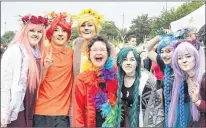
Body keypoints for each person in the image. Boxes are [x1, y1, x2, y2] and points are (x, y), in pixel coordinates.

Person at [1, 14, 48, 127]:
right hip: (16, 107)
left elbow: (35, 84)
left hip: (29, 106)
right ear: (24, 31)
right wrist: (3, 114)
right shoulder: (14, 51)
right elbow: (4, 85)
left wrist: (45, 68)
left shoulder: (36, 53)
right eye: (32, 30)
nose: (36, 34)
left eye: (39, 32)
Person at [33, 12, 73, 127]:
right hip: (41, 111)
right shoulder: (41, 52)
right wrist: (45, 67)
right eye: (56, 30)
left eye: (64, 31)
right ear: (50, 34)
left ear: (68, 34)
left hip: (62, 114)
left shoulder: (72, 54)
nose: (60, 34)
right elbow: (35, 84)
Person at [72, 35, 118, 127]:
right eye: (95, 50)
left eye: (102, 50)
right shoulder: (81, 80)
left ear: (108, 54)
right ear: (89, 55)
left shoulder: (116, 76)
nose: (98, 52)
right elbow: (77, 112)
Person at [116, 47, 164, 127]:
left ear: (137, 63)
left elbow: (158, 112)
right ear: (120, 63)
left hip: (144, 121)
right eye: (124, 59)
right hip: (125, 121)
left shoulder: (148, 81)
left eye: (132, 59)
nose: (128, 63)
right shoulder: (117, 79)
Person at [73, 8, 116, 77]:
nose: (86, 28)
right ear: (79, 29)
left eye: (90, 25)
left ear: (96, 28)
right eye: (83, 25)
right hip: (78, 86)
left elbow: (112, 74)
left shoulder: (108, 46)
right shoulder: (77, 43)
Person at [146, 34, 179, 127]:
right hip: (166, 111)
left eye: (168, 51)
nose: (164, 55)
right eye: (162, 51)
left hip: (182, 113)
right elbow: (148, 50)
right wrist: (159, 37)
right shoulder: (165, 63)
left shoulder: (184, 67)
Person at [168, 42, 202, 127]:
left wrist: (197, 102)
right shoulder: (183, 78)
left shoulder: (203, 79)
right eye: (179, 58)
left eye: (188, 56)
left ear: (195, 57)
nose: (184, 60)